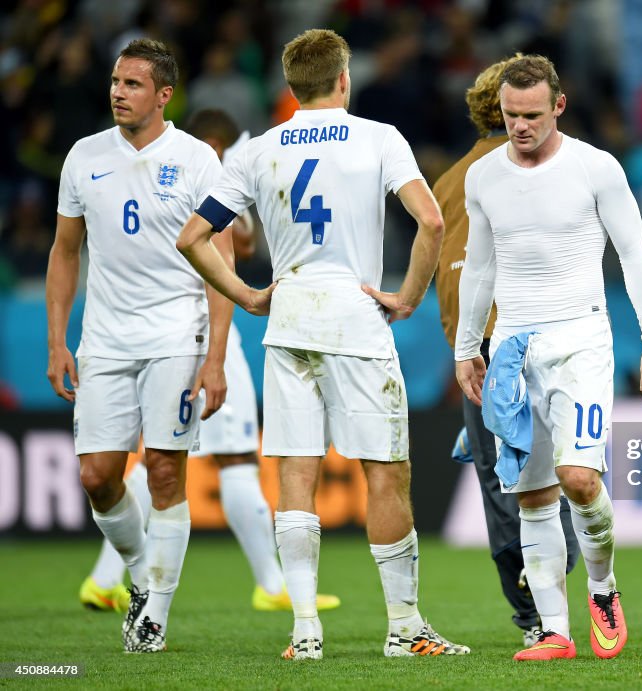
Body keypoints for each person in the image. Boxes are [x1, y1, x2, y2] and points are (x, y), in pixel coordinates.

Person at [176, 28, 470, 661]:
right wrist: (409, 295)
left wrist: (249, 294)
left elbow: (194, 236)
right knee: (386, 474)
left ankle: (305, 631)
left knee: (295, 474)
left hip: (289, 318)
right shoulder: (378, 137)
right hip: (355, 317)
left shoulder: (257, 152)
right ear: (344, 80)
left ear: (290, 87)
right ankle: (405, 628)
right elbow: (433, 220)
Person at [453, 55, 642, 661]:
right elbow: (479, 266)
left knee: (579, 480)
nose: (519, 126)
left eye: (530, 115)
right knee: (531, 496)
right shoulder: (483, 177)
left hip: (581, 340)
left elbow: (634, 254)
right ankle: (555, 629)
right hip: (512, 348)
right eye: (509, 115)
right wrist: (467, 347)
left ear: (558, 107)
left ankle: (601, 588)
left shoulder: (595, 168)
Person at [78, 109, 339, 616]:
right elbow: (236, 247)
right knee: (221, 458)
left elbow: (235, 244)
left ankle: (107, 577)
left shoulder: (185, 173)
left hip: (181, 332)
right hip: (195, 333)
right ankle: (268, 582)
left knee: (168, 461)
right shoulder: (200, 174)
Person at [46, 39, 234, 653]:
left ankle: (154, 613)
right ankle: (138, 575)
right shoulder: (84, 157)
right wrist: (58, 340)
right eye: (115, 82)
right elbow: (65, 251)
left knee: (162, 469)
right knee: (97, 475)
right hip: (104, 338)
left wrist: (215, 358)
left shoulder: (198, 159)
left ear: (163, 94)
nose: (118, 92)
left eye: (132, 84)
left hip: (175, 335)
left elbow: (222, 259)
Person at [433, 56, 581, 649]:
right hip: (537, 337)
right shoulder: (542, 170)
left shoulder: (446, 183)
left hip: (484, 348)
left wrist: (463, 350)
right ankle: (558, 588)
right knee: (551, 472)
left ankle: (533, 612)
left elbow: (449, 274)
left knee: (506, 490)